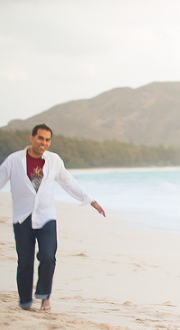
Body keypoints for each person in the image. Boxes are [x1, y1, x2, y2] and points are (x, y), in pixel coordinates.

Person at [0, 124, 106, 311]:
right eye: (40, 138)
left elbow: (68, 182)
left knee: (48, 257)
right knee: (25, 262)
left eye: (47, 140)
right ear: (32, 138)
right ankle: (25, 302)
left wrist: (91, 200)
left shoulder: (53, 160)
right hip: (22, 217)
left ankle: (44, 297)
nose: (44, 143)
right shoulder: (14, 160)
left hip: (46, 216)